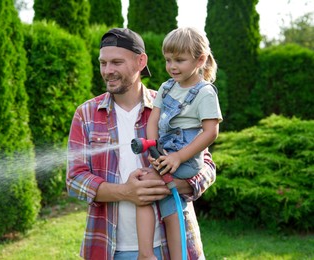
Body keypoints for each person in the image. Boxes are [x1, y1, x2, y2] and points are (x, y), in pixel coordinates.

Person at [66, 27, 216, 260]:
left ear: (140, 61)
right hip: (108, 248)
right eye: (103, 63)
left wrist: (168, 184)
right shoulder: (86, 114)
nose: (108, 71)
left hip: (171, 247)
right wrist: (125, 192)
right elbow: (75, 180)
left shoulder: (171, 105)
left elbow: (207, 167)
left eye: (116, 62)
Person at [136, 27, 223, 259]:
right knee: (167, 206)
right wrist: (153, 146)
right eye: (168, 60)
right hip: (165, 153)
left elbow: (210, 132)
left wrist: (178, 156)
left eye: (180, 60)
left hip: (186, 159)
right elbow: (153, 119)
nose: (172, 66)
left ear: (200, 59)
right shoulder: (167, 87)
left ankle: (145, 254)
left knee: (144, 187)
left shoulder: (205, 93)